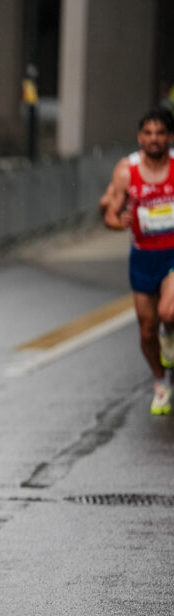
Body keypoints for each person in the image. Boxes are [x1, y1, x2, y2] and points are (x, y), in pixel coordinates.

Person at [99, 109, 174, 415]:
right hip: (143, 256)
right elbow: (110, 215)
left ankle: (169, 333)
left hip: (172, 253)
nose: (154, 139)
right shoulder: (125, 170)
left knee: (168, 311)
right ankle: (160, 381)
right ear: (140, 136)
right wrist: (121, 221)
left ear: (168, 137)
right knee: (146, 329)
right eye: (148, 133)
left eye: (160, 133)